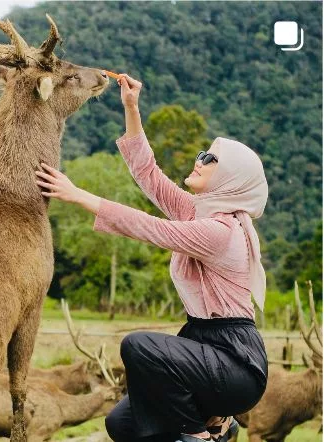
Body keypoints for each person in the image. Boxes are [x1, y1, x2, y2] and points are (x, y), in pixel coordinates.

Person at [34, 72, 269, 442]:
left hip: (235, 363)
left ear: (231, 180)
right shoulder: (196, 211)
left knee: (138, 345)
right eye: (202, 154)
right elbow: (148, 175)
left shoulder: (222, 232)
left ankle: (203, 433)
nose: (199, 160)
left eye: (210, 159)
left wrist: (79, 195)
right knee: (122, 424)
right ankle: (218, 424)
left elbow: (152, 228)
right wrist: (132, 107)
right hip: (201, 347)